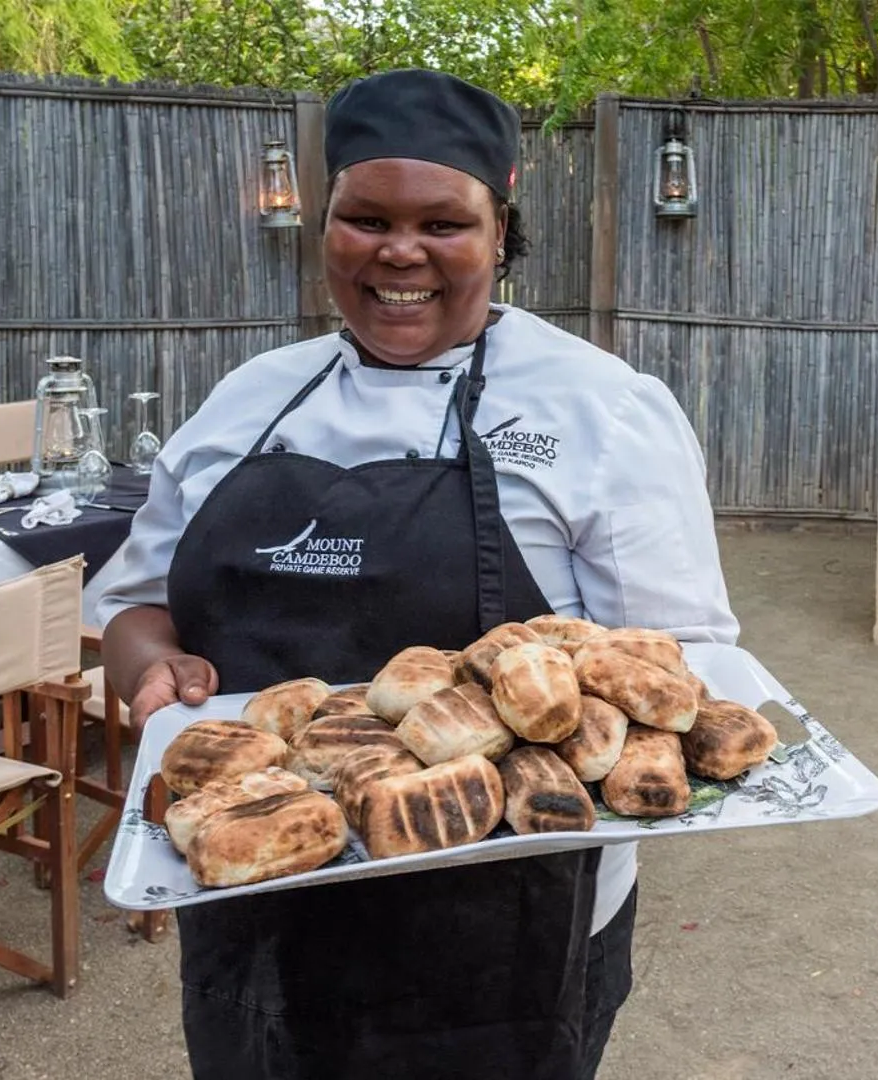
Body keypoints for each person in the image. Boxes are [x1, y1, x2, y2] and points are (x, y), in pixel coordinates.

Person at [96, 67, 738, 1080]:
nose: (400, 253)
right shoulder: (246, 399)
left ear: (498, 227)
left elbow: (678, 669)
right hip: (260, 875)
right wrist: (150, 672)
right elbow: (134, 605)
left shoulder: (599, 408)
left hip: (507, 917)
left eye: (442, 224)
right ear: (324, 226)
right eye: (364, 219)